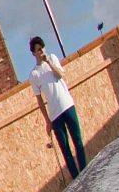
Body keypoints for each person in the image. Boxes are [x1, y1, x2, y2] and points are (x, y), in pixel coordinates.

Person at [27, 35, 85, 178]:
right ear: (33, 53)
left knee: (77, 140)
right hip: (55, 115)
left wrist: (48, 62)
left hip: (67, 105)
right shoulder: (34, 74)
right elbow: (40, 100)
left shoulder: (52, 58)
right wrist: (47, 120)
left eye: (42, 48)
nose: (41, 51)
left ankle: (85, 171)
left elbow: (60, 75)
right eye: (38, 50)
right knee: (65, 148)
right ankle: (76, 177)